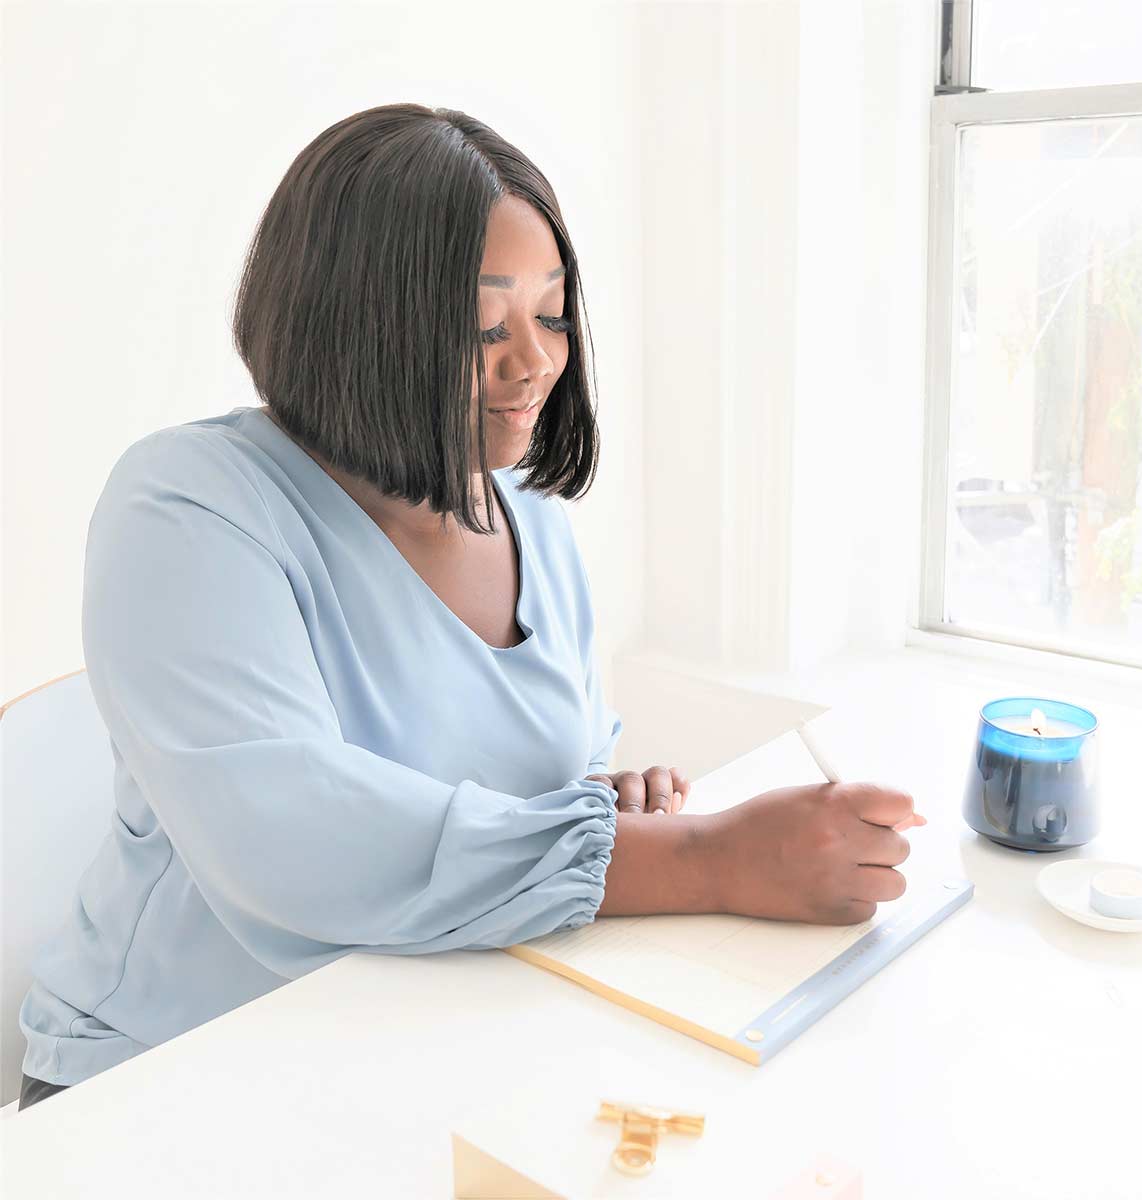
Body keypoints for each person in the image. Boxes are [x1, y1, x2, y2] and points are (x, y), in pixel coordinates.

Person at [17, 103, 917, 1112]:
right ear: (350, 326)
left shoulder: (531, 517)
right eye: (483, 324)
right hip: (166, 1080)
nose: (532, 360)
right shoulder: (187, 508)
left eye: (553, 311)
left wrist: (606, 802)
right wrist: (699, 858)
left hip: (415, 1043)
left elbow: (510, 782)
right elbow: (292, 840)